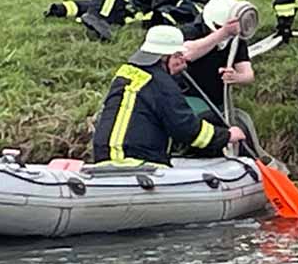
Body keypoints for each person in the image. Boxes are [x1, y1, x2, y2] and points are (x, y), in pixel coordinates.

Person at [92, 25, 247, 165]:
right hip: (136, 160)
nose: (182, 60)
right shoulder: (162, 83)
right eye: (178, 55)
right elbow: (186, 129)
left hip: (103, 155)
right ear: (164, 57)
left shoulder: (126, 72)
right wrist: (226, 136)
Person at [178, 0, 255, 117]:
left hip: (217, 101)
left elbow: (248, 74)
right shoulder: (190, 32)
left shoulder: (236, 39)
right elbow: (187, 54)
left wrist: (236, 77)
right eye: (221, 27)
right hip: (188, 97)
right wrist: (223, 33)